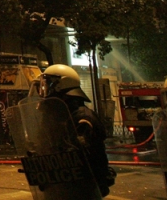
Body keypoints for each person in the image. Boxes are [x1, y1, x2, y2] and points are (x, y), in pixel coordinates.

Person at [40, 64, 114, 197]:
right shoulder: (63, 115)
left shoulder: (82, 117)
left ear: (60, 84)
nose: (45, 88)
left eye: (49, 83)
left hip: (85, 187)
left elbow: (77, 153)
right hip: (66, 185)